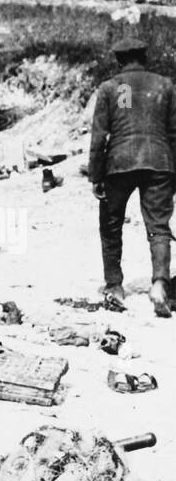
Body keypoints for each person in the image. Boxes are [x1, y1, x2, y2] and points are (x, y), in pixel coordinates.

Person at [88, 37, 176, 317]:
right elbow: (174, 134)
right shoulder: (165, 85)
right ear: (145, 57)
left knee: (111, 225)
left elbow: (99, 136)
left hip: (119, 162)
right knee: (159, 227)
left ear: (119, 60)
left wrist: (96, 174)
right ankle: (160, 284)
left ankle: (114, 286)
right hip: (160, 161)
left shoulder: (110, 88)